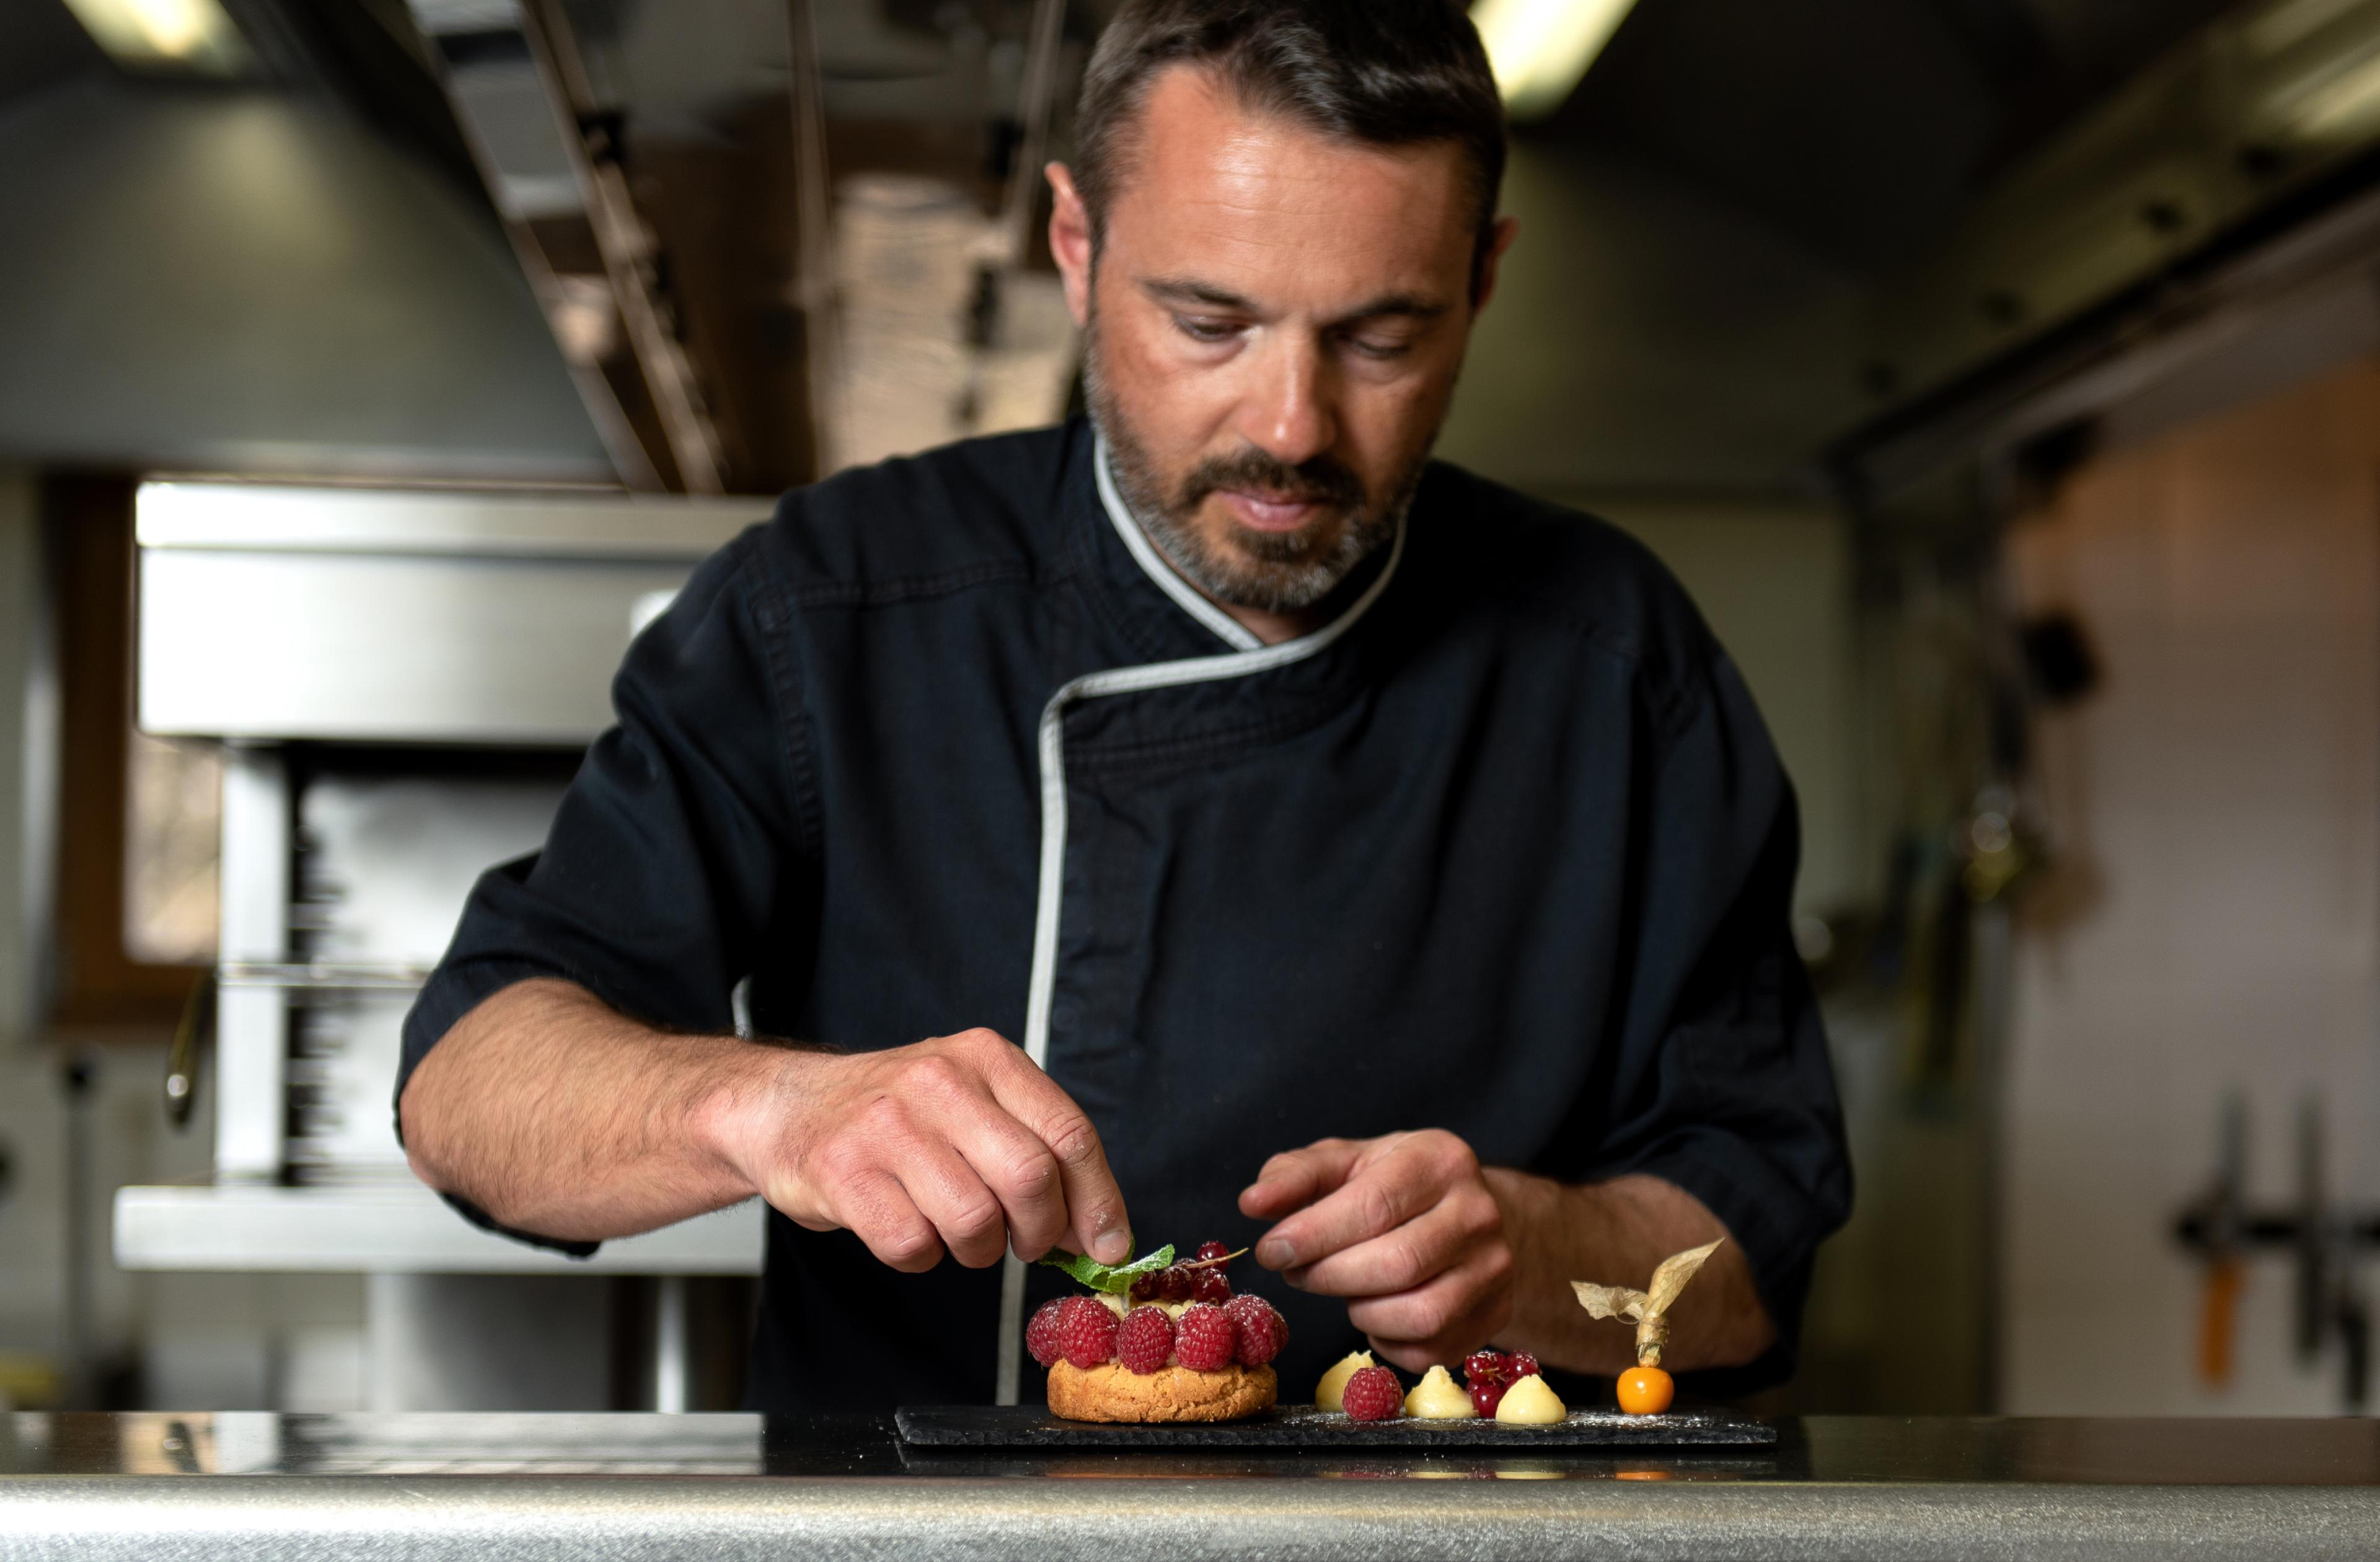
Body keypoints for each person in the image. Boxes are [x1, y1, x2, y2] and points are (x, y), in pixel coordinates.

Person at [396, 0, 1850, 1413]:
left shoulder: (1613, 665)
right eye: (1210, 321)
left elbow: (1758, 1259)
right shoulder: (833, 609)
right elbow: (469, 1090)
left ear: (1481, 281)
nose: (1291, 423)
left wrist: (1535, 1255)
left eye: (1381, 338)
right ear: (1078, 249)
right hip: (919, 1550)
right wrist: (771, 1109)